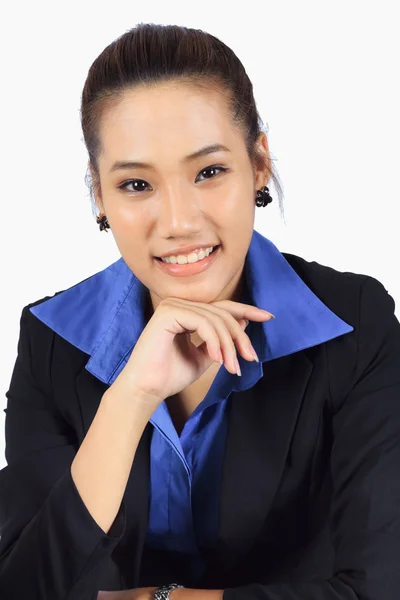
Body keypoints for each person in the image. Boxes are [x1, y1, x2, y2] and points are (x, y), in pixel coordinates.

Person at [0, 22, 399, 600]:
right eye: (136, 183)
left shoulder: (354, 325)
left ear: (258, 163)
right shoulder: (52, 337)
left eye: (209, 172)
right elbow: (25, 586)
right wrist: (131, 396)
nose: (180, 221)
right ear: (99, 195)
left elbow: (380, 588)